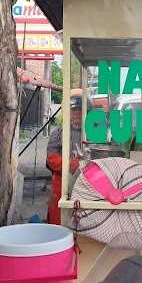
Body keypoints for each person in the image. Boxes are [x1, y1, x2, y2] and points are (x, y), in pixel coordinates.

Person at [46, 95, 85, 225]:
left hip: (86, 183)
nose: (77, 113)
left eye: (80, 109)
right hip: (62, 182)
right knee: (59, 220)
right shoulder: (58, 133)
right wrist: (69, 164)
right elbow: (50, 159)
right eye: (74, 110)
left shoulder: (92, 132)